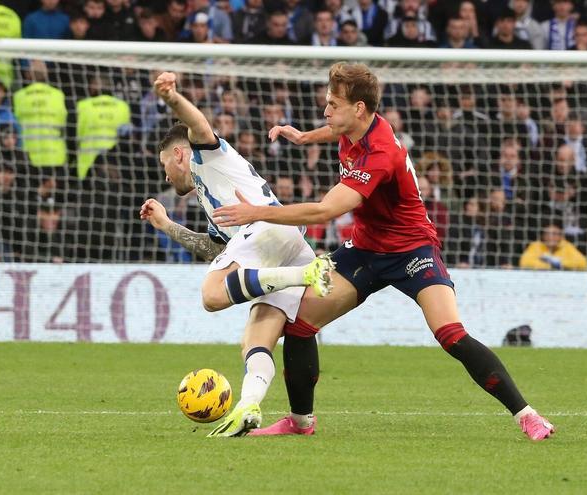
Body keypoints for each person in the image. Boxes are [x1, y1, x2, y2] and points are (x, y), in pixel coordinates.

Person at [214, 63, 555, 441]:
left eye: (333, 104)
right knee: (299, 325)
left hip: (412, 250)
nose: (326, 110)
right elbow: (335, 131)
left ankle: (527, 415)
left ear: (358, 108)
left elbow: (325, 210)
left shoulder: (380, 153)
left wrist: (256, 212)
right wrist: (306, 137)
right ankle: (300, 422)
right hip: (364, 249)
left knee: (451, 334)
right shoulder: (357, 125)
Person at [138, 72, 334, 437]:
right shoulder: (211, 193)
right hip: (285, 243)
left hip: (265, 227)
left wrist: (171, 97)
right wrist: (166, 226)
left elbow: (198, 124)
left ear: (178, 154)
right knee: (256, 338)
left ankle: (305, 275)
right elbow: (216, 251)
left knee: (211, 296)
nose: (166, 176)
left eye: (165, 164)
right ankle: (249, 406)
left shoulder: (205, 157)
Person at [519, 222, 587, 270]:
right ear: (543, 236)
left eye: (554, 234)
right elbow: (525, 262)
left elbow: (582, 263)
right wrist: (551, 266)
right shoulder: (536, 246)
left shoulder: (567, 246)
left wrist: (560, 263)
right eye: (547, 233)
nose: (550, 237)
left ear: (561, 236)